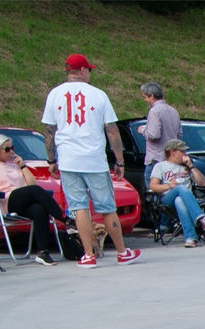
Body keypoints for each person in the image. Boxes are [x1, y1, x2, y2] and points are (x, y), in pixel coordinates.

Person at [42, 53, 140, 268]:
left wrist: (51, 159)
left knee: (79, 208)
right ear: (82, 70)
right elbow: (112, 130)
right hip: (94, 158)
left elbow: (49, 130)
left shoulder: (55, 94)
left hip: (68, 159)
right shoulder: (98, 95)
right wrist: (119, 160)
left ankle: (88, 255)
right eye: (89, 70)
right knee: (107, 207)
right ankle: (122, 252)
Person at [0, 134, 71, 265]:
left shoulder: (14, 165)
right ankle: (66, 219)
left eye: (12, 148)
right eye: (7, 149)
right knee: (35, 191)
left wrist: (22, 166)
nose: (12, 152)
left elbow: (32, 184)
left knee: (39, 209)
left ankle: (43, 252)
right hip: (5, 200)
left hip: (21, 201)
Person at [149, 139, 205, 248]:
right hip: (167, 200)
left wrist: (191, 167)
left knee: (179, 200)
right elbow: (152, 186)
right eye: (182, 152)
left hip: (187, 202)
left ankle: (191, 238)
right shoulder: (160, 166)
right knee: (180, 188)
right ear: (172, 152)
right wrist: (168, 186)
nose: (185, 154)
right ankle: (201, 218)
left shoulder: (187, 166)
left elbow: (203, 183)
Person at [138, 81, 182, 192]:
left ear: (151, 96)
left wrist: (143, 130)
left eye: (145, 97)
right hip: (171, 159)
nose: (145, 100)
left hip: (155, 159)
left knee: (152, 194)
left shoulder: (154, 111)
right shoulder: (174, 111)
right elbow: (180, 134)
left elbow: (154, 134)